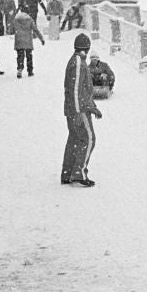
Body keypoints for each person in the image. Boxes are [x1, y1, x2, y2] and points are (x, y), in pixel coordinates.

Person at [61, 33, 102, 187]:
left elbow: (82, 89)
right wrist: (79, 111)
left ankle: (68, 173)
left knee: (74, 139)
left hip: (76, 108)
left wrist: (93, 107)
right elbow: (76, 90)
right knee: (88, 138)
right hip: (79, 109)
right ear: (87, 47)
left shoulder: (77, 61)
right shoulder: (78, 63)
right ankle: (79, 172)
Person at [12, 10, 45, 78]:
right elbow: (35, 30)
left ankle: (20, 69)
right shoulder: (29, 20)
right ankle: (30, 71)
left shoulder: (16, 20)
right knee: (29, 56)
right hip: (28, 41)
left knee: (20, 56)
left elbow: (11, 29)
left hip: (19, 41)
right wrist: (41, 39)